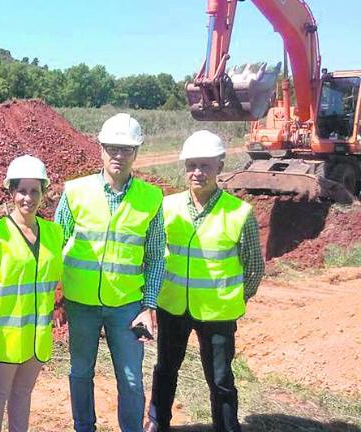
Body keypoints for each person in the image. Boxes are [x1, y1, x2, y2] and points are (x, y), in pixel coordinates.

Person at [145, 131, 264, 432]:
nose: (197, 172)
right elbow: (154, 252)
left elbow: (254, 267)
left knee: (221, 379)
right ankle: (159, 424)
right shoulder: (166, 207)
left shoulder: (239, 213)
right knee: (165, 371)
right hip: (172, 306)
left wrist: (236, 298)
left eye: (205, 165)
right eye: (192, 165)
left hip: (218, 312)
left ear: (220, 166)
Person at [55, 113, 166, 432]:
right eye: (112, 148)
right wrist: (52, 295)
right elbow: (55, 243)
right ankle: (84, 427)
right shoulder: (75, 192)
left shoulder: (151, 198)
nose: (118, 155)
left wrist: (149, 306)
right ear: (101, 149)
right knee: (80, 372)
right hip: (81, 303)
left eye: (126, 149)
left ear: (136, 153)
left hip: (128, 307)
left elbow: (156, 256)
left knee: (131, 379)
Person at [0, 155, 63, 432]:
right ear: (11, 192)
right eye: (22, 191)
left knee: (23, 394)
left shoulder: (53, 233)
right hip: (3, 335)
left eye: (34, 191)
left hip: (37, 335)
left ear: (43, 193)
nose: (28, 198)